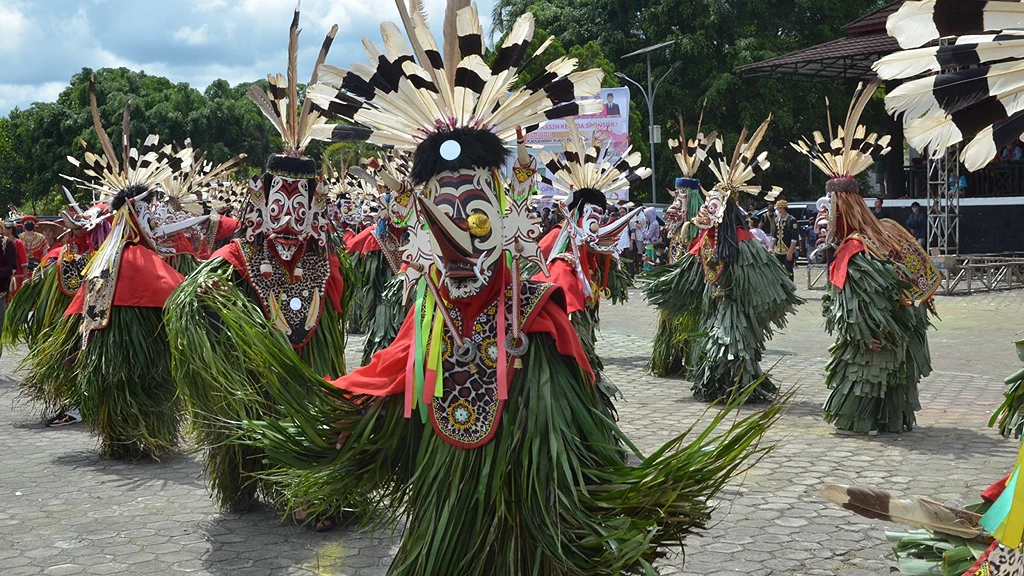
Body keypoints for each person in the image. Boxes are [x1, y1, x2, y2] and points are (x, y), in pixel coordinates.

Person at [235, 4, 785, 573]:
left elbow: (582, 446)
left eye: (474, 216)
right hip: (443, 528)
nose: (459, 239)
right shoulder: (424, 319)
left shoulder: (538, 319)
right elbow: (378, 386)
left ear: (504, 219)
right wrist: (320, 426)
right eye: (439, 214)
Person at [164, 10, 350, 516]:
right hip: (253, 382)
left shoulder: (326, 265)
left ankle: (307, 484)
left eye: (300, 207)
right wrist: (209, 303)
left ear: (315, 209)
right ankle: (244, 475)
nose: (288, 219)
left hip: (305, 381)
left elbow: (334, 311)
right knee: (249, 419)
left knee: (311, 408)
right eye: (278, 205)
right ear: (259, 202)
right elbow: (186, 303)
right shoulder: (235, 260)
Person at [792, 80, 940, 435]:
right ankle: (892, 419)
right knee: (890, 375)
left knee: (863, 374)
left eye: (829, 211)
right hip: (903, 326)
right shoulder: (883, 231)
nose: (823, 221)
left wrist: (866, 333)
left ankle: (861, 420)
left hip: (880, 334)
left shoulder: (856, 249)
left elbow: (865, 300)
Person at [647, 116, 802, 402]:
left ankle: (735, 385)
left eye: (712, 205)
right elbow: (687, 274)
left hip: (735, 313)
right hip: (713, 308)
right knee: (713, 340)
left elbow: (769, 284)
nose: (706, 209)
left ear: (723, 211)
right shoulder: (707, 241)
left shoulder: (746, 243)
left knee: (731, 343)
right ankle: (717, 384)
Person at [773, 200, 800, 280]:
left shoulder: (791, 220)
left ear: (783, 209)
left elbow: (794, 238)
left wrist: (790, 252)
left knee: (789, 270)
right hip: (778, 250)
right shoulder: (776, 220)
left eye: (778, 208)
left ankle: (791, 286)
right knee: (777, 270)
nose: (777, 210)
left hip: (787, 250)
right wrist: (771, 247)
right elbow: (774, 235)